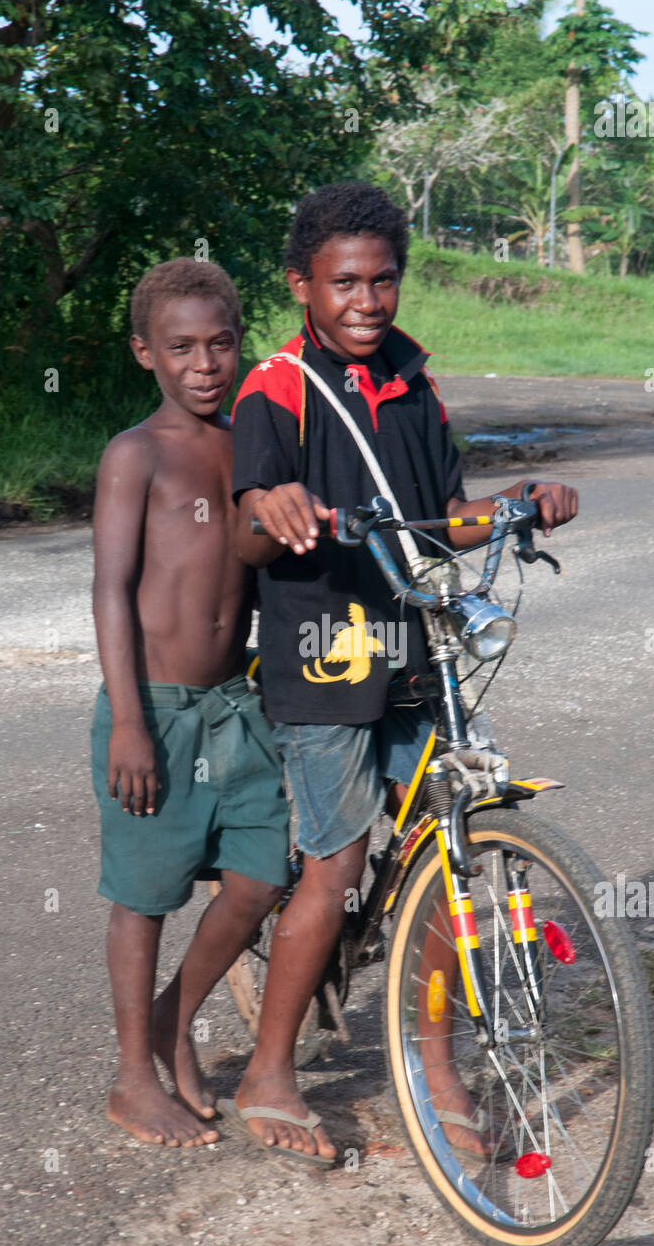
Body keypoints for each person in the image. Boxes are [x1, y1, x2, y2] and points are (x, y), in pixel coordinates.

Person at [230, 181, 578, 1163]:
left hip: (415, 652)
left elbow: (443, 523)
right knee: (337, 861)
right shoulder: (276, 389)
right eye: (344, 282)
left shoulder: (413, 386)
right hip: (320, 662)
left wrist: (517, 504)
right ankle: (268, 1069)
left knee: (446, 840)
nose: (366, 301)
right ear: (303, 283)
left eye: (383, 280)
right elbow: (250, 528)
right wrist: (277, 509)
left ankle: (435, 1063)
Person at [91, 258, 289, 1148]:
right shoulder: (137, 453)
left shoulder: (250, 442)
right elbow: (109, 589)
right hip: (158, 712)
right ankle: (134, 1079)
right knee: (144, 896)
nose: (204, 364)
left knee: (261, 877)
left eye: (219, 344)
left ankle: (175, 1018)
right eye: (180, 348)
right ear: (145, 353)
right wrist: (130, 722)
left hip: (234, 707)